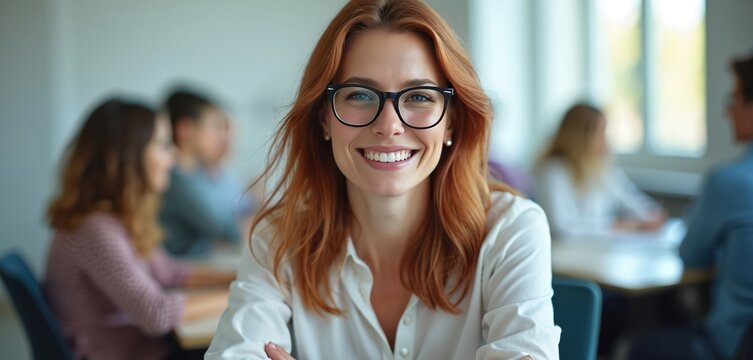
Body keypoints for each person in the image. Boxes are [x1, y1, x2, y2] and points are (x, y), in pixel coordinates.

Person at [205, 1, 560, 359]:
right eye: (359, 95)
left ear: (451, 120)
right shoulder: (278, 238)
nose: (389, 126)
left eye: (420, 96)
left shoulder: (511, 229)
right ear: (324, 119)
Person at [44, 98, 234, 360]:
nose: (174, 155)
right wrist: (239, 294)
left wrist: (234, 277)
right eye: (164, 145)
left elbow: (168, 273)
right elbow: (157, 314)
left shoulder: (117, 219)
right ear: (128, 156)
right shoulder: (95, 230)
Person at [629, 52, 753, 360]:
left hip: (730, 346)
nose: (727, 111)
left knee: (640, 345)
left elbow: (691, 255)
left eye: (734, 98)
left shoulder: (729, 182)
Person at [535, 103, 666, 239]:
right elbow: (563, 227)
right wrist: (619, 226)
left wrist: (650, 215)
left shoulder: (601, 169)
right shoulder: (553, 171)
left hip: (600, 248)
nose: (606, 140)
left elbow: (630, 197)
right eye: (600, 133)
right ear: (581, 137)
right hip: (570, 252)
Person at [160, 88, 252, 257]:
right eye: (215, 127)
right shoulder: (175, 179)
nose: (222, 137)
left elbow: (241, 212)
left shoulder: (198, 174)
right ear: (186, 129)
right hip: (186, 269)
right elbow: (229, 229)